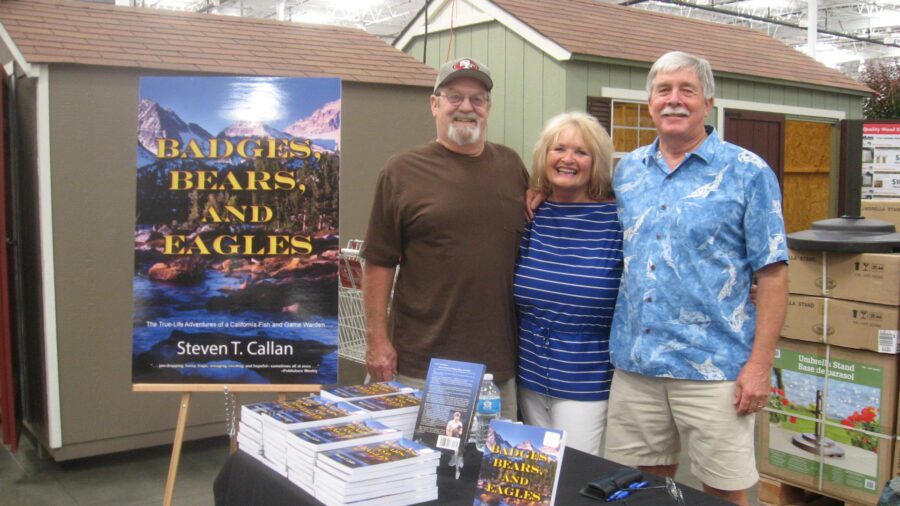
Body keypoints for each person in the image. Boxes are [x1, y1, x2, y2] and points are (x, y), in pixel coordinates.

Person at [603, 51, 788, 505]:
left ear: (708, 102)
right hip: (637, 366)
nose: (674, 100)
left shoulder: (747, 172)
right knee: (639, 489)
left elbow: (774, 274)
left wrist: (760, 365)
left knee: (724, 492)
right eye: (663, 90)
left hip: (714, 368)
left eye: (687, 90)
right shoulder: (627, 173)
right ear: (649, 103)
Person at [361, 57, 528, 420]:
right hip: (425, 366)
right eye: (454, 97)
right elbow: (378, 261)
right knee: (425, 470)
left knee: (487, 473)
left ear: (488, 109)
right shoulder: (402, 171)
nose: (466, 107)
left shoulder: (511, 166)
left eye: (477, 99)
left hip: (497, 367)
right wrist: (376, 341)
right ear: (434, 104)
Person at [514, 112, 621, 457]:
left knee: (572, 478)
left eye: (581, 152)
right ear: (544, 158)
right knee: (533, 480)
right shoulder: (532, 216)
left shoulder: (616, 221)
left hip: (586, 379)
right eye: (558, 149)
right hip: (529, 374)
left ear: (597, 162)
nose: (568, 159)